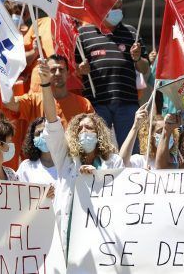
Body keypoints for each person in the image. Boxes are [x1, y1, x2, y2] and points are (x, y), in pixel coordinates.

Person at [40, 59, 123, 250]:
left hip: (102, 236)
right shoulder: (65, 159)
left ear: (100, 133)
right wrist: (45, 84)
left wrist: (95, 177)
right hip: (69, 237)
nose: (84, 131)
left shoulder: (112, 161)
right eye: (80, 128)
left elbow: (120, 193)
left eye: (90, 128)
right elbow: (52, 122)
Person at [75, 0, 149, 148]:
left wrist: (137, 58)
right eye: (113, 7)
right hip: (96, 103)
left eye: (120, 7)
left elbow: (145, 68)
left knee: (131, 148)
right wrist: (80, 69)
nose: (118, 12)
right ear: (101, 8)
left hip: (127, 102)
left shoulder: (131, 32)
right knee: (96, 147)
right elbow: (74, 67)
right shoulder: (83, 34)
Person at [3, 54, 94, 131]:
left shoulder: (83, 103)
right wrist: (5, 74)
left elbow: (94, 129)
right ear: (46, 73)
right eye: (53, 70)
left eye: (61, 69)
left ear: (68, 73)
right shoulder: (34, 100)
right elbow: (10, 104)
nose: (57, 73)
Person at [118, 103, 166, 169]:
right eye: (160, 131)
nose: (164, 134)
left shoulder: (176, 160)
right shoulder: (141, 161)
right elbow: (121, 163)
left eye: (167, 131)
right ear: (150, 136)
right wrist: (135, 126)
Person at [17, 117, 57, 184]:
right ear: (33, 138)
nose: (43, 136)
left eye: (47, 132)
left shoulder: (67, 164)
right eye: (38, 133)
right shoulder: (26, 167)